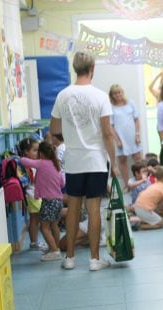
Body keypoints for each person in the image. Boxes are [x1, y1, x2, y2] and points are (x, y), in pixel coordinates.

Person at [49, 51, 118, 271]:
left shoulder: (63, 95)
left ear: (74, 68)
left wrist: (71, 134)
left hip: (74, 161)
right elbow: (107, 133)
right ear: (92, 68)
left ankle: (69, 258)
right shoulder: (100, 96)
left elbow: (54, 129)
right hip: (96, 161)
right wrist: (114, 162)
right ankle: (94, 259)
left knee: (74, 207)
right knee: (94, 207)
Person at [20, 142, 66, 262]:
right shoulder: (57, 166)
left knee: (44, 228)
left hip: (49, 201)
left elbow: (24, 161)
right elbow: (62, 183)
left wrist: (17, 157)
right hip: (59, 200)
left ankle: (55, 251)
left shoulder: (41, 163)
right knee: (54, 225)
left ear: (41, 153)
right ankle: (55, 247)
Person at [109, 84, 142, 181]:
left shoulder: (130, 103)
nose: (118, 95)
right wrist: (117, 140)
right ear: (112, 95)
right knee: (122, 160)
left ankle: (140, 181)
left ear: (122, 92)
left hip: (133, 136)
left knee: (138, 159)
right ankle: (128, 184)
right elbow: (111, 126)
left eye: (119, 92)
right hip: (121, 139)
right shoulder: (111, 107)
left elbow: (136, 119)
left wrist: (137, 135)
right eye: (115, 93)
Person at [18, 138, 44, 252]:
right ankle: (33, 243)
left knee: (35, 219)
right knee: (34, 219)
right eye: (34, 150)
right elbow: (31, 180)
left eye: (38, 150)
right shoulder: (28, 165)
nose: (37, 153)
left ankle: (35, 242)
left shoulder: (33, 163)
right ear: (26, 152)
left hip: (35, 194)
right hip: (32, 195)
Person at [149, 70, 163, 166]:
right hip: (162, 126)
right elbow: (150, 87)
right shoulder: (159, 95)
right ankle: (162, 165)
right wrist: (159, 75)